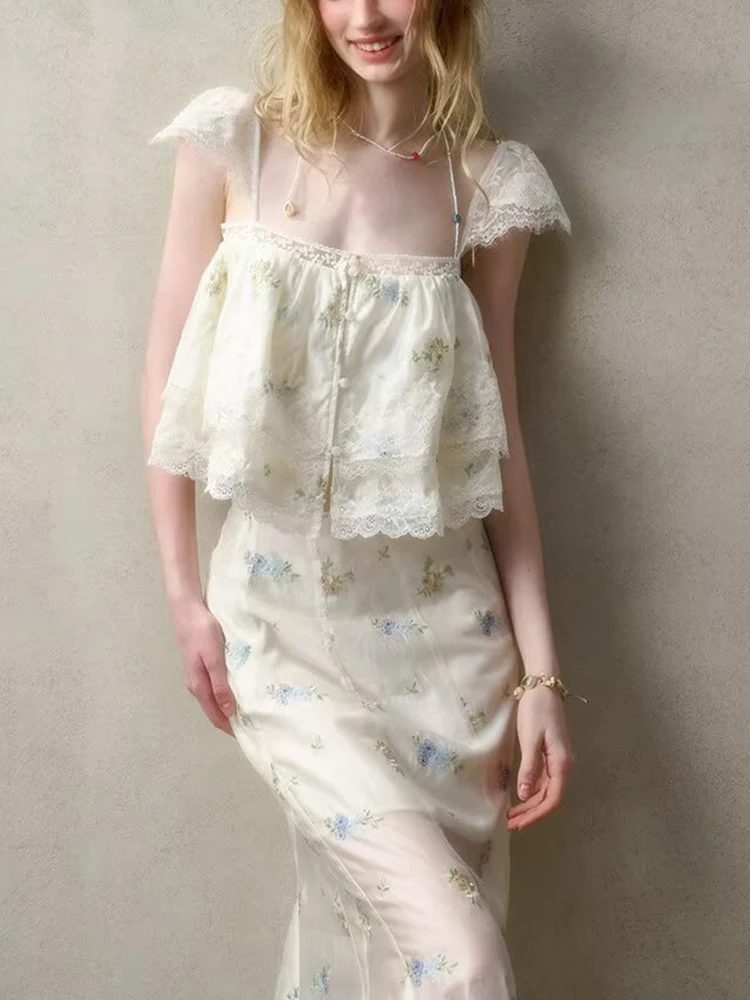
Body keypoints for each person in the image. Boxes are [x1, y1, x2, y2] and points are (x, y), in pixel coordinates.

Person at [140, 1, 585, 997]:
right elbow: (164, 378)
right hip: (277, 630)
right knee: (463, 961)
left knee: (385, 960)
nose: (368, 14)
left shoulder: (485, 186)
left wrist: (542, 680)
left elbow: (499, 441)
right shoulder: (235, 143)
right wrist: (183, 595)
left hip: (453, 655)